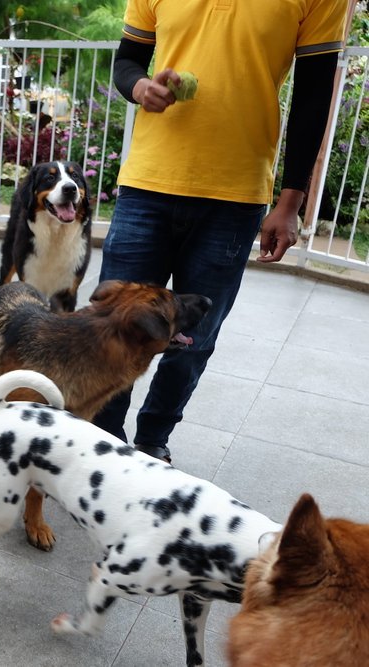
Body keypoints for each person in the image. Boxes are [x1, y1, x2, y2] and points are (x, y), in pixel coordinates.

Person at [93, 0, 349, 463]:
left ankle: (152, 441)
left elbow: (315, 94)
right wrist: (139, 88)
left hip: (235, 196)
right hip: (147, 184)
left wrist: (290, 203)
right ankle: (102, 441)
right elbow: (127, 59)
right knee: (114, 322)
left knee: (193, 338)